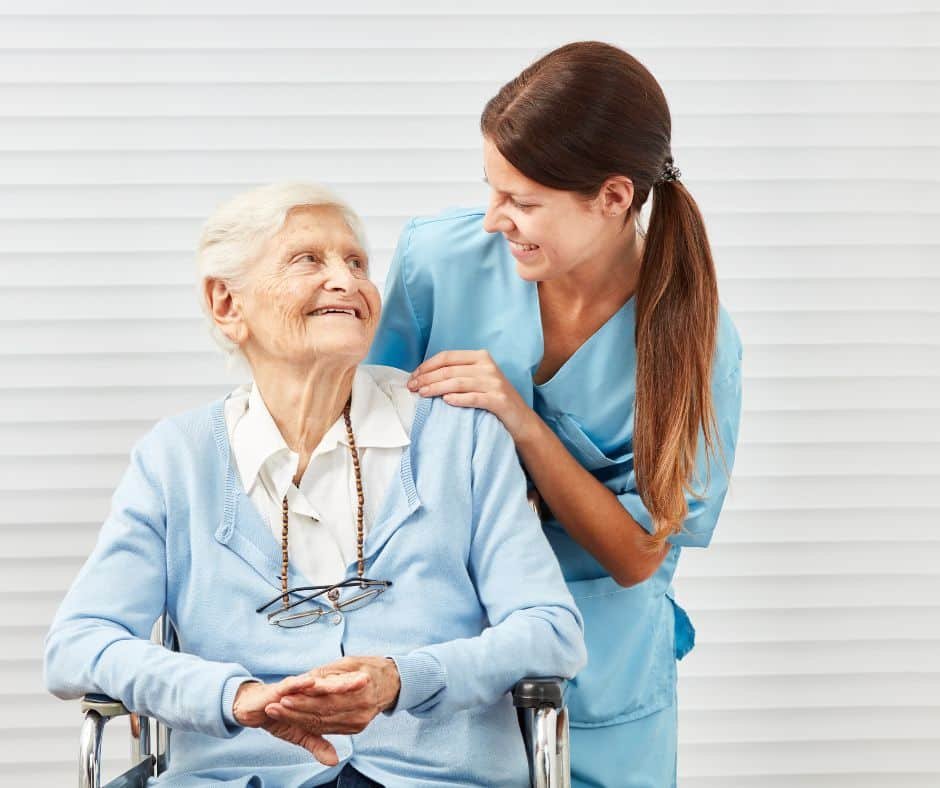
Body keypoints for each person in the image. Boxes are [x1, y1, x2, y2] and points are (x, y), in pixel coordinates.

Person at [43, 182, 586, 788]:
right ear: (227, 303)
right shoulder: (176, 459)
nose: (346, 281)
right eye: (309, 260)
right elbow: (78, 643)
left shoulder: (461, 439)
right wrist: (233, 696)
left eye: (357, 263)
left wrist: (405, 678)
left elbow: (550, 629)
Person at [367, 41, 744, 788]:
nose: (492, 220)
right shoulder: (437, 261)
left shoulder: (694, 341)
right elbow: (368, 446)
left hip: (600, 678)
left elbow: (637, 555)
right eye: (491, 189)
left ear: (612, 197)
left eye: (523, 202)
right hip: (441, 648)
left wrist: (520, 423)